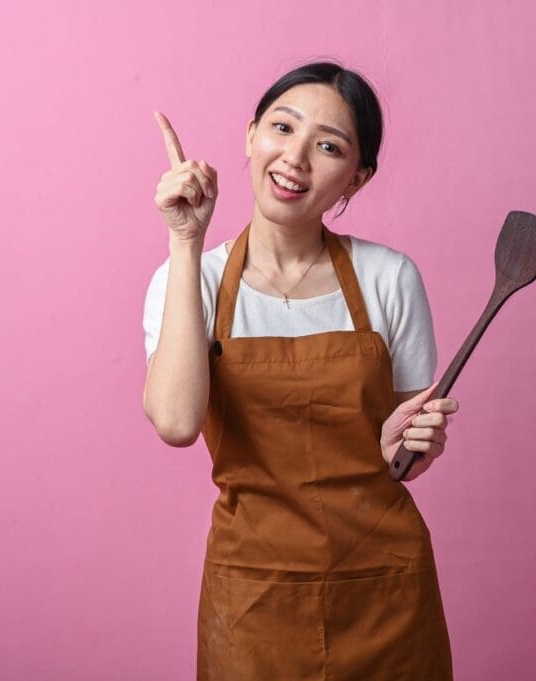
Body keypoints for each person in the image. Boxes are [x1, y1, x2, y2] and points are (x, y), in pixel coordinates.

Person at [142, 61, 460, 680]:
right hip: (253, 597)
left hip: (384, 591)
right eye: (282, 128)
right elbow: (177, 423)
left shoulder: (389, 278)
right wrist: (185, 242)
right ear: (250, 135)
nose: (295, 158)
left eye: (329, 145)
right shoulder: (191, 280)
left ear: (356, 179)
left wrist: (415, 446)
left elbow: (405, 454)